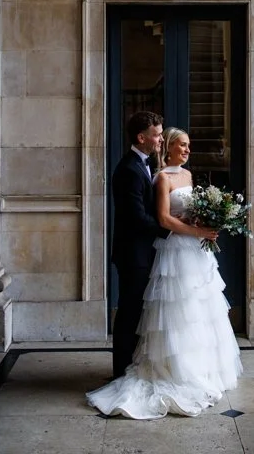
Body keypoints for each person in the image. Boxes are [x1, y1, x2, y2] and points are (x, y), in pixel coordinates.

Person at [88, 127, 238, 419]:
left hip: (195, 251)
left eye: (189, 146)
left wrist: (204, 221)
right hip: (175, 251)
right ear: (168, 147)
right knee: (176, 310)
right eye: (181, 145)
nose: (187, 150)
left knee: (199, 309)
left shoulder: (189, 176)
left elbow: (185, 212)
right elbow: (164, 219)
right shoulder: (161, 178)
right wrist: (198, 230)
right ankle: (173, 369)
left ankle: (202, 368)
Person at [107, 110, 168, 378]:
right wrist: (169, 230)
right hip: (134, 255)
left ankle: (131, 365)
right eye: (156, 135)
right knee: (129, 313)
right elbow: (137, 218)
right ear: (141, 137)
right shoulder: (129, 169)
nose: (160, 140)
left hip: (143, 252)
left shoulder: (146, 164)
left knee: (137, 312)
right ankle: (120, 372)